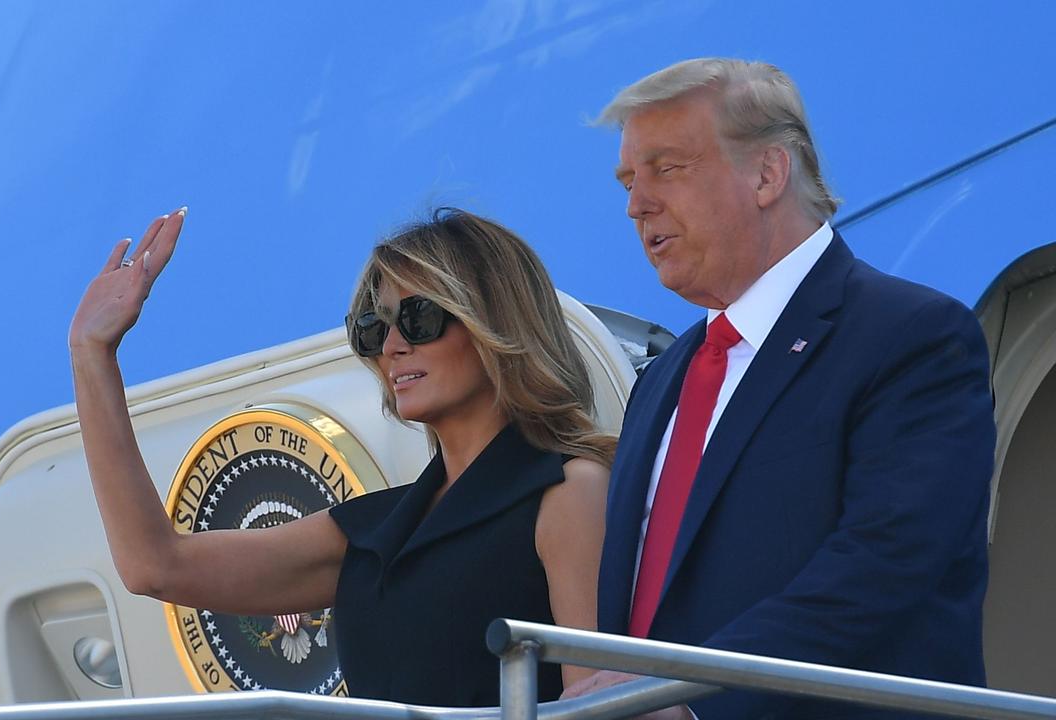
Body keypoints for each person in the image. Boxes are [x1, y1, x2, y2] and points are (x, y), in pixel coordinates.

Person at [562, 59, 995, 720]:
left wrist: (686, 694)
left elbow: (883, 566)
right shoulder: (663, 379)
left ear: (767, 173)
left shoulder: (912, 337)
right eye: (628, 180)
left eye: (667, 168)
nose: (636, 204)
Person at [68, 206, 615, 707]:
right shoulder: (373, 532)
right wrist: (92, 355)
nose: (393, 346)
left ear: (495, 322)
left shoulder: (567, 492)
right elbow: (154, 565)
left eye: (419, 319)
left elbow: (598, 707)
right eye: (373, 330)